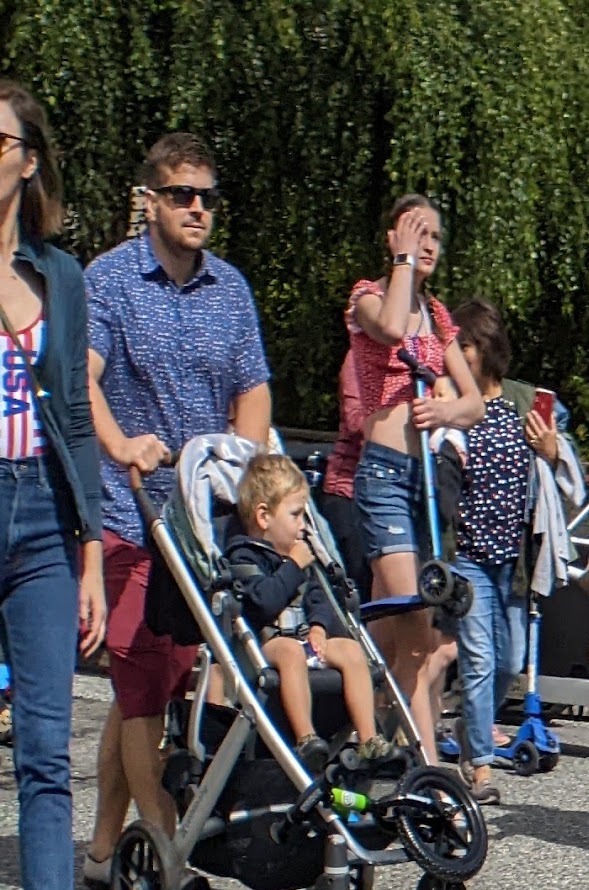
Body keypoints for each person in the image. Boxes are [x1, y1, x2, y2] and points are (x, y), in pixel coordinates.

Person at [83, 130, 270, 876]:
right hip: (128, 513)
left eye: (207, 198)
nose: (197, 209)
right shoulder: (112, 280)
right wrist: (120, 445)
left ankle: (104, 847)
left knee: (156, 684)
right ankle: (166, 850)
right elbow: (80, 379)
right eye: (182, 195)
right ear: (151, 200)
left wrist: (246, 470)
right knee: (142, 686)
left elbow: (250, 388)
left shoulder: (230, 289)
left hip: (199, 525)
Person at [0, 81, 128, 890]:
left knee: (46, 750)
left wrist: (90, 554)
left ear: (26, 159)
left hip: (42, 521)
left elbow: (78, 421)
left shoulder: (62, 277)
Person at [333, 194, 479, 730]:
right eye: (416, 233)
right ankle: (429, 769)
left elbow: (475, 401)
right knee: (417, 632)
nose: (427, 246)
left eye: (434, 236)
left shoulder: (439, 318)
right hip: (384, 475)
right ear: (394, 240)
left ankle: (367, 735)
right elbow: (391, 329)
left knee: (387, 634)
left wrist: (446, 407)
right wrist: (401, 264)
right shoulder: (368, 298)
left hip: (424, 482)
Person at [445, 299, 569, 805]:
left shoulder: (522, 402)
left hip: (512, 562)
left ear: (489, 348)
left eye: (467, 345)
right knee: (478, 661)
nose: (459, 354)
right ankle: (478, 767)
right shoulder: (451, 401)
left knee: (509, 660)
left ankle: (470, 727)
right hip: (468, 557)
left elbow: (567, 466)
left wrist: (553, 451)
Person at [219, 457, 384, 760]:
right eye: (296, 515)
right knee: (290, 651)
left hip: (305, 639)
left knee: (350, 649)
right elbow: (264, 601)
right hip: (265, 645)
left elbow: (318, 596)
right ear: (264, 516)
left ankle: (369, 739)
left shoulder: (300, 556)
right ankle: (305, 736)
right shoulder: (244, 556)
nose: (303, 525)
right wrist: (293, 565)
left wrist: (320, 626)